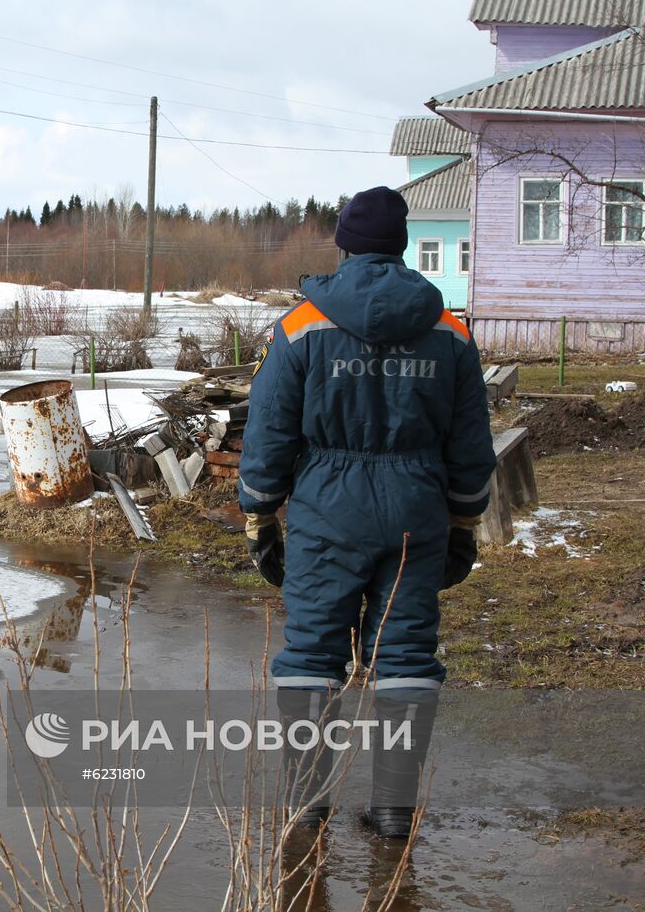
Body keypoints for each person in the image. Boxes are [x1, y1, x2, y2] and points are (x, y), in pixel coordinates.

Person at [239, 186, 497, 839]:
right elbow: (471, 447)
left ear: (345, 244)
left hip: (328, 514)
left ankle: (306, 805)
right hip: (417, 512)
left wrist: (260, 517)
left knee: (311, 653)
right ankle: (391, 810)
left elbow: (269, 433)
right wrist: (465, 523)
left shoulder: (300, 327)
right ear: (403, 246)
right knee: (407, 654)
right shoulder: (452, 332)